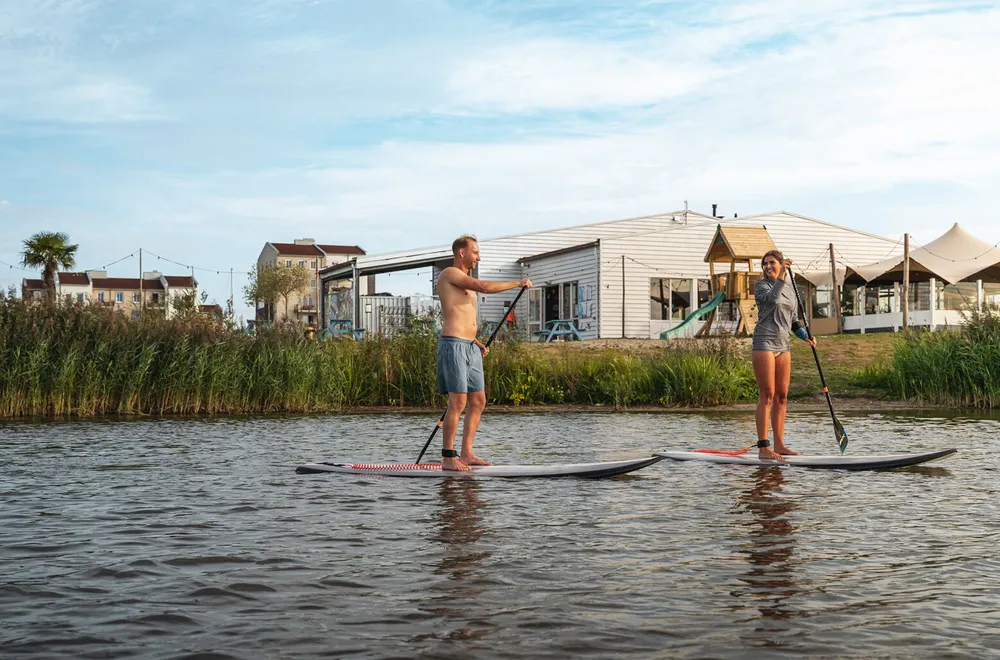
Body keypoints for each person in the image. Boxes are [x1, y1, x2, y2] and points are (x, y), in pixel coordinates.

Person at [437, 235, 531, 471]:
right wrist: (518, 283)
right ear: (461, 252)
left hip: (470, 347)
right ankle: (449, 457)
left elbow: (464, 317)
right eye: (475, 252)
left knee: (478, 401)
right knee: (457, 402)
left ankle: (466, 454)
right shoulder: (450, 274)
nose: (478, 257)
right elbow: (485, 286)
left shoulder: (465, 282)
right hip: (453, 345)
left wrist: (476, 342)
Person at [752, 250, 817, 461]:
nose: (768, 266)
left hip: (784, 345)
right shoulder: (761, 286)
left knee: (782, 396)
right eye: (765, 264)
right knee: (767, 395)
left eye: (772, 263)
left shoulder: (791, 289)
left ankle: (779, 445)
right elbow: (771, 300)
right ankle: (764, 447)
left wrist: (806, 336)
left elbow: (794, 320)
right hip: (764, 343)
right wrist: (781, 276)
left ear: (781, 264)